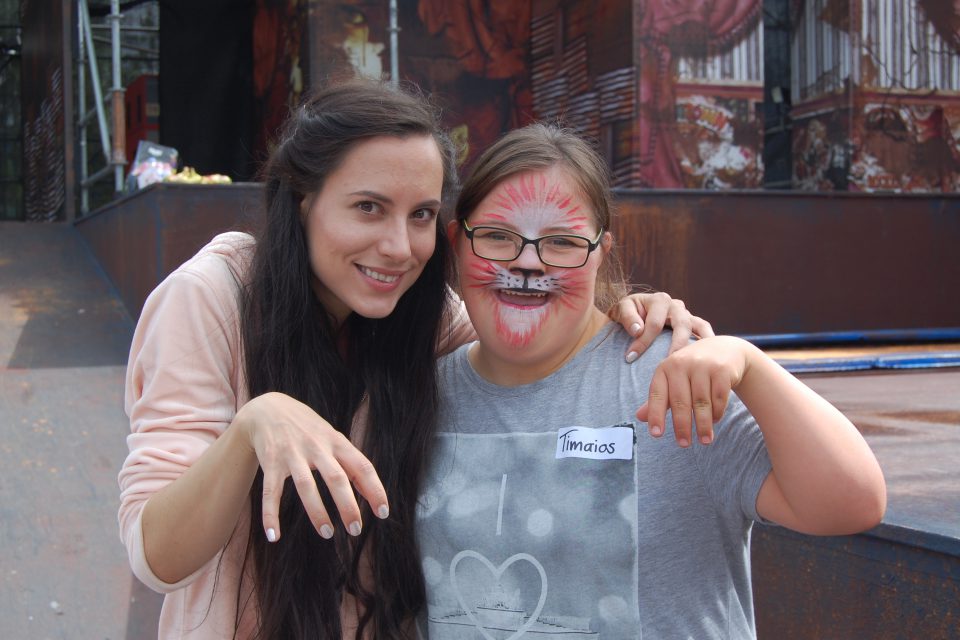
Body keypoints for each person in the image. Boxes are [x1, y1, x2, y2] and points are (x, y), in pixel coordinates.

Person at [118, 79, 711, 639]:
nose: (400, 248)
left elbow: (532, 348)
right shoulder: (214, 298)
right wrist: (256, 424)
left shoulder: (427, 316)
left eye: (421, 215)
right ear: (303, 201)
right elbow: (157, 558)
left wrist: (625, 308)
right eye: (369, 208)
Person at [416, 123, 887, 639]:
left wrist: (751, 364)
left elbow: (850, 503)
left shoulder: (668, 377)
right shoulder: (418, 395)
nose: (528, 262)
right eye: (499, 237)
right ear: (457, 242)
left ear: (600, 251)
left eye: (562, 242)